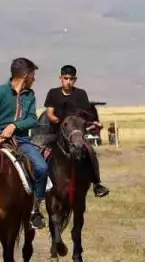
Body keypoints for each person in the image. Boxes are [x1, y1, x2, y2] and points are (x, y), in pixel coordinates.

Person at [0, 57, 48, 231]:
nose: (34, 79)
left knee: (42, 168)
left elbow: (31, 118)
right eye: (33, 75)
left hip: (21, 140)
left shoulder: (30, 95)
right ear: (26, 75)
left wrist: (14, 125)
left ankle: (35, 210)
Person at [42, 64, 109, 197]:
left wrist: (81, 125)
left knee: (90, 151)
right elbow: (49, 113)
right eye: (65, 78)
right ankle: (41, 186)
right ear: (60, 78)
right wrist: (62, 123)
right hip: (56, 132)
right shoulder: (53, 93)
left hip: (75, 133)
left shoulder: (81, 94)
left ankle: (97, 183)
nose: (68, 81)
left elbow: (84, 115)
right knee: (41, 151)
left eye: (71, 78)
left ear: (75, 79)